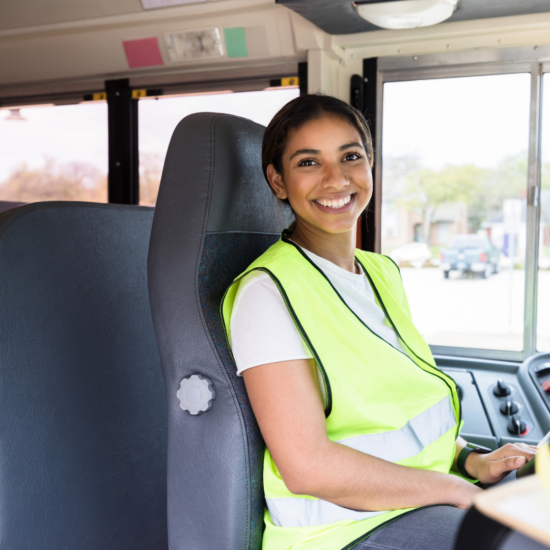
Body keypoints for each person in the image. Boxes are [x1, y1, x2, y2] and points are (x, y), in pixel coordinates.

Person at [220, 94, 537, 550]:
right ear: (278, 181)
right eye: (308, 162)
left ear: (370, 165)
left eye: (350, 156)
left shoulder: (381, 272)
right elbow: (306, 464)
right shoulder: (267, 292)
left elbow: (399, 410)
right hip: (338, 532)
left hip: (411, 503)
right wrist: (454, 490)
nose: (336, 178)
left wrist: (470, 460)